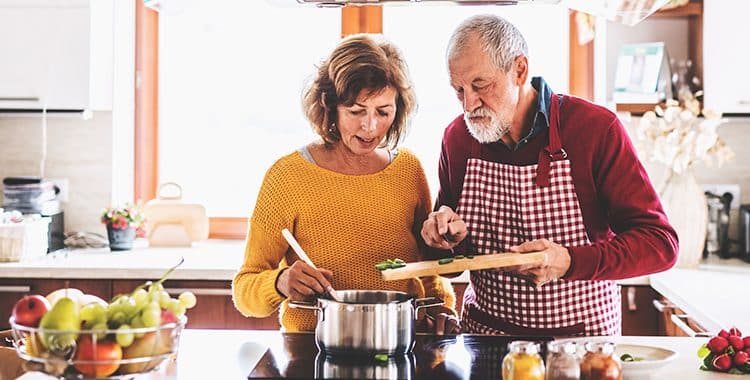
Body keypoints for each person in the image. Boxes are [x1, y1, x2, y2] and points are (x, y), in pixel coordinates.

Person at [420, 15, 678, 336]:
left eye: (480, 85)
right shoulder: (458, 138)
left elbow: (660, 245)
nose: (469, 104)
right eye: (458, 89)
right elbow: (446, 256)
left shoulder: (595, 129)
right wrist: (446, 239)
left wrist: (568, 261)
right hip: (485, 338)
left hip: (580, 342)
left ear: (519, 70)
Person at [233, 34, 457, 334]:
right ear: (330, 107)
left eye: (383, 112)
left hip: (399, 340)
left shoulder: (408, 170)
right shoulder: (287, 176)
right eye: (356, 111)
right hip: (314, 347)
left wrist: (441, 308)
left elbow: (427, 268)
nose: (370, 126)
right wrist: (279, 282)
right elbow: (245, 291)